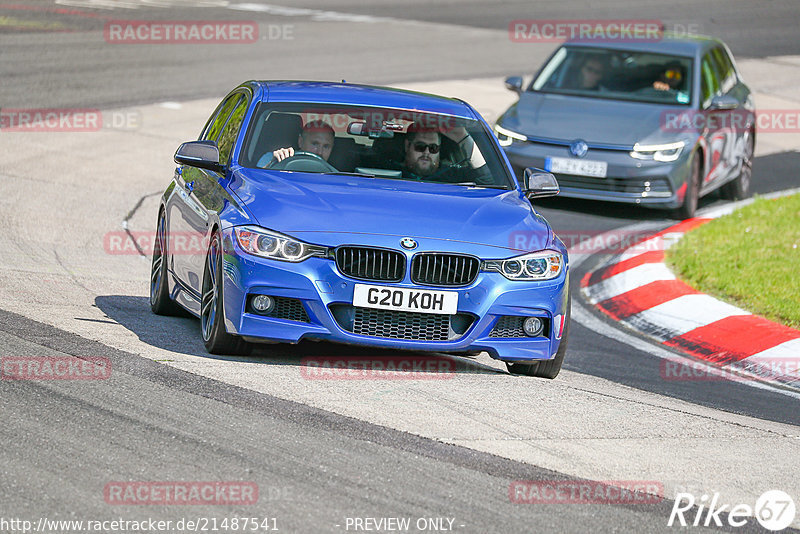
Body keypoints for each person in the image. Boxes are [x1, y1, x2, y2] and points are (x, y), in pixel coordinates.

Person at [397, 122, 491, 184]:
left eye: (433, 148)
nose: (426, 152)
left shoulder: (454, 174)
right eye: (420, 146)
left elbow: (488, 181)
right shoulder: (389, 170)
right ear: (407, 146)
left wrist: (463, 138)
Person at [257, 120, 335, 167]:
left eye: (326, 146)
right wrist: (272, 163)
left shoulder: (336, 175)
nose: (320, 152)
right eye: (315, 144)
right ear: (300, 141)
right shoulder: (272, 158)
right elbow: (255, 183)